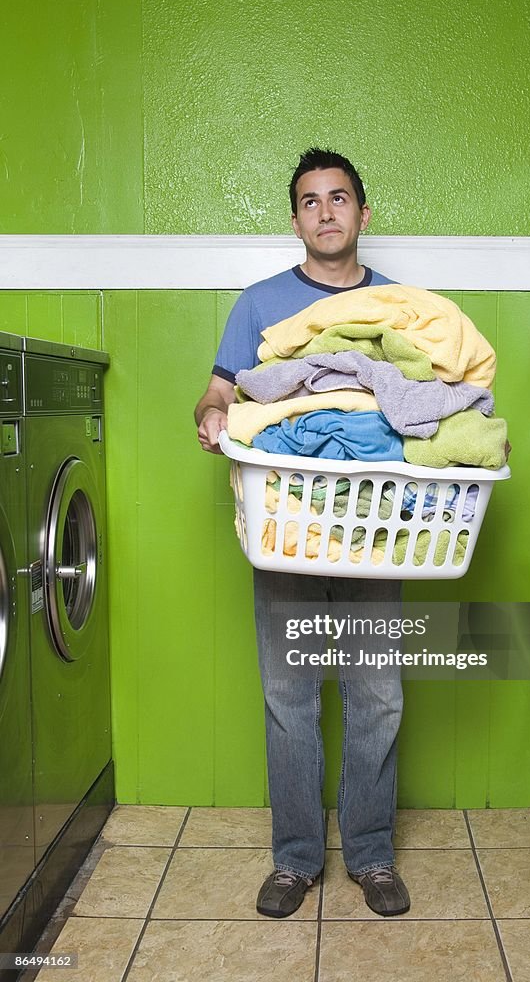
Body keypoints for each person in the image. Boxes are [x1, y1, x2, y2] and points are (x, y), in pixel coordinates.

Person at [194, 148, 410, 918]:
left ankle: (372, 856)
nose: (325, 211)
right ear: (295, 220)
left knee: (376, 695)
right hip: (284, 522)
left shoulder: (399, 306)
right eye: (311, 202)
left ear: (362, 212)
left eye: (339, 198)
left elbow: (432, 393)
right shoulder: (258, 304)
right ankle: (293, 862)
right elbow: (218, 390)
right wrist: (213, 415)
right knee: (290, 696)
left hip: (375, 525)